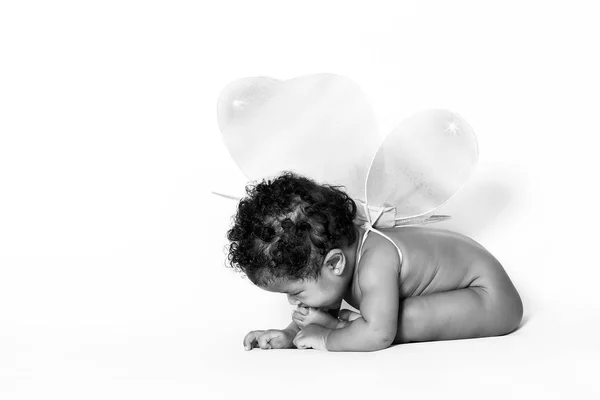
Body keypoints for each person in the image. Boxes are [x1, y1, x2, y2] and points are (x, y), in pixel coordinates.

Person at [226, 171, 523, 352]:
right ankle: (350, 325)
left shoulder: (375, 262)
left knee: (394, 322)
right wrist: (290, 335)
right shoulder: (334, 260)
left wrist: (327, 337)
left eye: (296, 293)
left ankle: (349, 326)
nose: (294, 303)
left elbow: (380, 336)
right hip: (467, 294)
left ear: (334, 264)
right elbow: (315, 307)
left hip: (490, 298)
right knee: (382, 316)